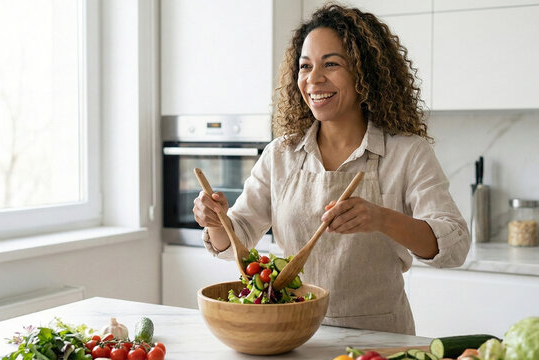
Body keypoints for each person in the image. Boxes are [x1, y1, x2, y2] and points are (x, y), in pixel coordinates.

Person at [192, 3, 469, 335]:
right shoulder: (282, 154)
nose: (314, 79)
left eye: (331, 64)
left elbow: (454, 247)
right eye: (305, 66)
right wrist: (216, 219)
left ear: (365, 72)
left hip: (381, 339)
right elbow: (237, 238)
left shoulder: (407, 153)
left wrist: (381, 218)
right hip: (292, 333)